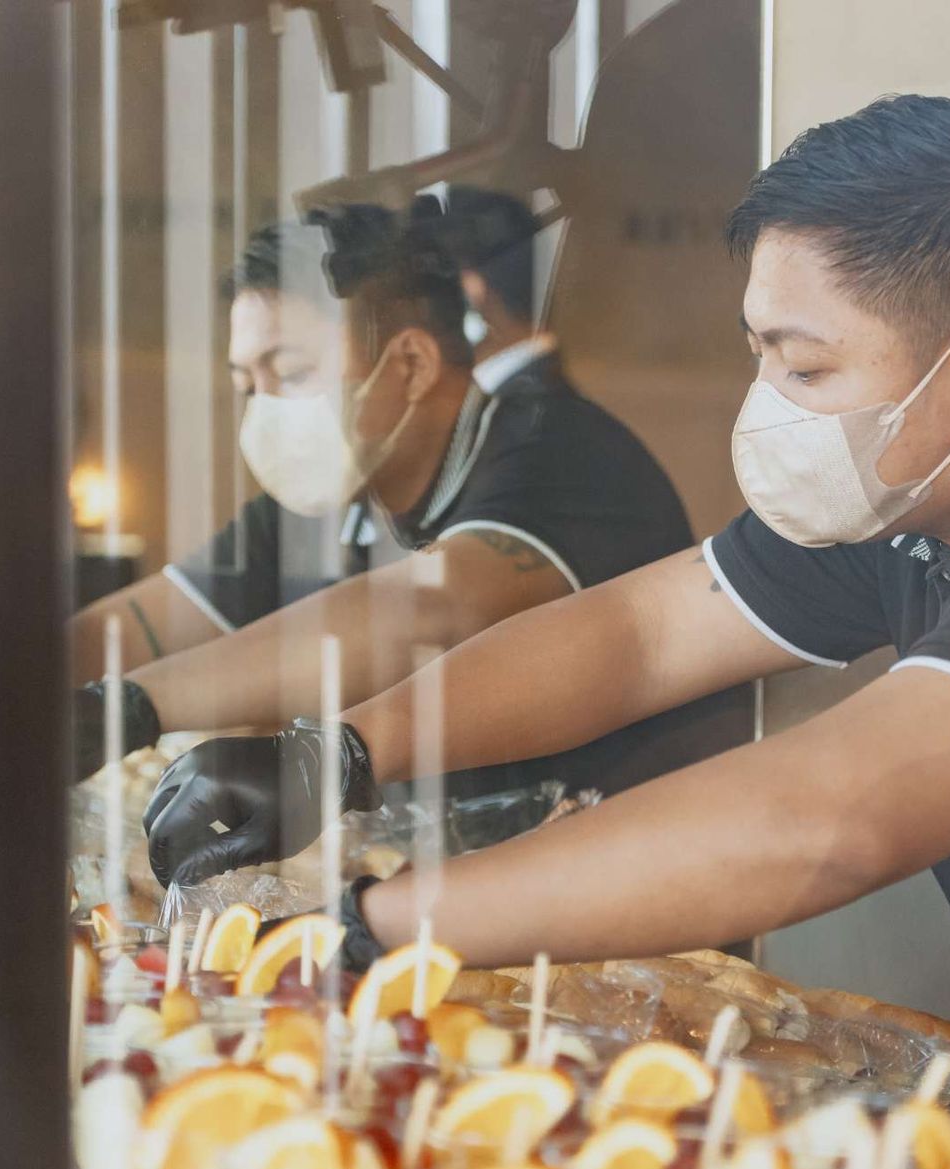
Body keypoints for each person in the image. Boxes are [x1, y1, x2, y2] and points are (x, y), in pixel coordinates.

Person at [143, 93, 950, 1071]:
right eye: (761, 355)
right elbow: (637, 636)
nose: (771, 405)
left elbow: (824, 816)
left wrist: (376, 926)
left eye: (806, 367)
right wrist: (341, 752)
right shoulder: (915, 491)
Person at [74, 195, 746, 802]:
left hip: (621, 853)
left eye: (292, 372)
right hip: (435, 862)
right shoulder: (339, 486)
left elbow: (436, 609)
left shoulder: (562, 453)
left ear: (411, 365)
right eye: (248, 385)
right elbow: (142, 621)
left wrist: (133, 705)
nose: (265, 410)